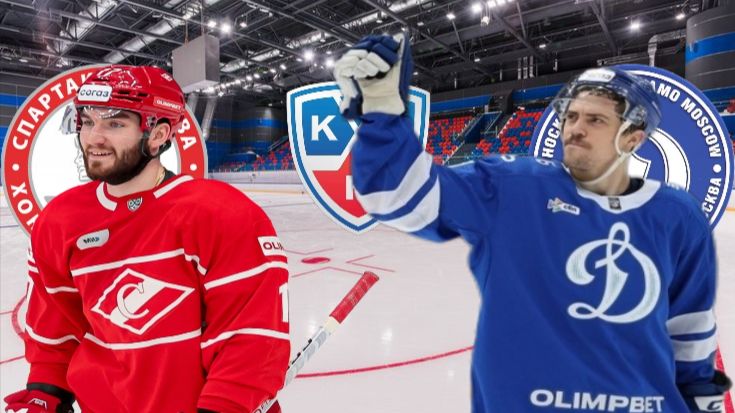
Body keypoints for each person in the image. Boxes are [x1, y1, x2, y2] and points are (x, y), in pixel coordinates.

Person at [334, 34, 731, 412]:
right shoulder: (512, 187)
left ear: (633, 138)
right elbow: (396, 194)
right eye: (571, 116)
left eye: (595, 120)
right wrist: (382, 114)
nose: (575, 129)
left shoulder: (678, 216)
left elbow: (690, 332)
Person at [4, 65, 290, 413]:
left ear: (158, 134)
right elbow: (56, 327)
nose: (94, 138)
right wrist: (45, 393)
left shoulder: (223, 214)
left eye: (115, 124)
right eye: (88, 121)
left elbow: (252, 338)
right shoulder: (59, 221)